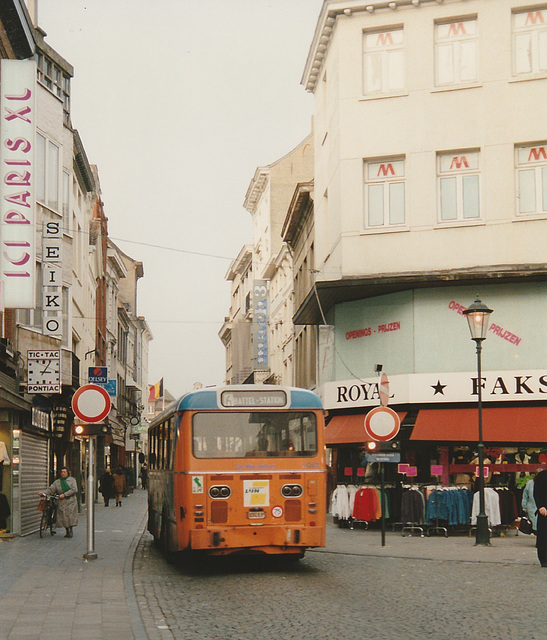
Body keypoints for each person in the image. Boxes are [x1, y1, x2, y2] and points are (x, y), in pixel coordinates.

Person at [40, 466, 78, 538]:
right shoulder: (57, 482)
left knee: (70, 516)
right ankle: (67, 530)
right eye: (62, 472)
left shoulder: (72, 480)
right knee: (63, 517)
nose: (63, 473)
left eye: (64, 472)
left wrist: (65, 494)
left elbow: (74, 490)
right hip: (62, 502)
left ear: (67, 473)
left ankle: (70, 530)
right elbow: (51, 489)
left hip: (71, 502)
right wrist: (43, 493)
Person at [533, 469, 547, 567]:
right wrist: (541, 506)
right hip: (545, 511)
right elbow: (537, 492)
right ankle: (544, 559)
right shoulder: (542, 476)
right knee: (543, 535)